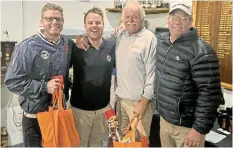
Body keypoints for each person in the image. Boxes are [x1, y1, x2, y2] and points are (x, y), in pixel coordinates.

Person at [76, 0, 156, 141]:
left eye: (135, 17)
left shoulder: (149, 39)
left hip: (138, 104)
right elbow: (95, 33)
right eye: (127, 17)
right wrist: (81, 37)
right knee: (120, 140)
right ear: (122, 19)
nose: (130, 20)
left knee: (137, 142)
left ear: (142, 18)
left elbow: (153, 75)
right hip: (120, 102)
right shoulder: (119, 36)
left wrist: (143, 102)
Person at [4, 3, 74, 147]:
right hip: (35, 118)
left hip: (58, 113)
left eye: (58, 19)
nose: (54, 22)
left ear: (63, 21)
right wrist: (44, 87)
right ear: (42, 21)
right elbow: (12, 82)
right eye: (49, 19)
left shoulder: (66, 43)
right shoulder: (26, 47)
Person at [155, 2, 222, 147]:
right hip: (164, 122)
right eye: (174, 17)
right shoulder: (161, 41)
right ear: (168, 19)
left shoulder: (202, 52)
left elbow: (210, 95)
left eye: (184, 18)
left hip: (187, 129)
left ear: (191, 21)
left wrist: (198, 130)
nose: (177, 22)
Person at [69, 7, 115, 147]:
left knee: (98, 144)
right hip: (80, 112)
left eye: (97, 22)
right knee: (79, 145)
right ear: (85, 26)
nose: (94, 26)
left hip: (103, 110)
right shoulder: (75, 47)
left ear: (103, 25)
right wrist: (78, 38)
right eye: (90, 23)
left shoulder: (111, 46)